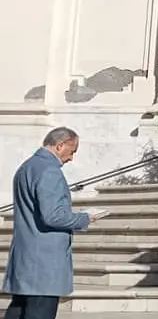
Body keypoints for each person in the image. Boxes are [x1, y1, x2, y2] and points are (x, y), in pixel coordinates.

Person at [2, 127, 98, 319]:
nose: (71, 158)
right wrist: (85, 218)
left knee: (18, 311)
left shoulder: (26, 167)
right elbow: (53, 216)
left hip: (25, 258)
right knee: (39, 312)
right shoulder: (49, 171)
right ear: (60, 145)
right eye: (72, 151)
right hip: (43, 264)